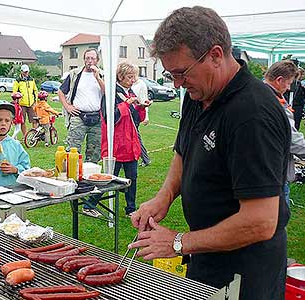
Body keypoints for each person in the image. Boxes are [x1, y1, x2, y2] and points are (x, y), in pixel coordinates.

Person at [128, 6, 290, 300]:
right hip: (206, 257)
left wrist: (178, 242)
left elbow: (261, 221)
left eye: (181, 72)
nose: (176, 83)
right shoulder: (198, 93)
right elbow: (182, 152)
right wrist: (163, 197)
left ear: (215, 55)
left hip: (246, 273)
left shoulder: (252, 115)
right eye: (170, 74)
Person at [84, 62, 147, 218]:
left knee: (132, 178)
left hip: (130, 143)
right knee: (107, 178)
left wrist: (141, 107)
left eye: (134, 77)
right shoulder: (110, 94)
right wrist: (126, 104)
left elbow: (136, 120)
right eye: (130, 77)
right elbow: (109, 117)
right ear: (120, 76)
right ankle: (89, 204)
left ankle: (131, 209)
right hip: (116, 144)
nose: (133, 80)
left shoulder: (129, 92)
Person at [264, 60, 305, 206]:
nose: (288, 88)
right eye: (288, 83)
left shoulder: (256, 95)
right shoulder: (275, 104)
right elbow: (292, 140)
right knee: (279, 222)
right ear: (279, 80)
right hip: (276, 173)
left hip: (263, 170)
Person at [58, 48, 105, 163]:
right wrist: (67, 107)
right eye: (87, 58)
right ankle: (71, 176)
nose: (90, 61)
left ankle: (90, 176)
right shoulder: (75, 74)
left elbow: (107, 93)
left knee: (94, 152)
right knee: (72, 149)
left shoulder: (103, 75)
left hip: (97, 118)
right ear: (84, 60)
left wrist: (98, 78)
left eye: (92, 58)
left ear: (97, 60)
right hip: (78, 116)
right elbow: (61, 92)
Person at [0, 100, 30, 188]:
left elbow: (26, 167)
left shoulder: (15, 145)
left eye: (7, 120)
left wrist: (15, 169)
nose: (3, 123)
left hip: (13, 191)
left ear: (11, 123)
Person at [12, 64, 38, 136]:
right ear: (21, 71)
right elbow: (14, 92)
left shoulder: (31, 79)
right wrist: (17, 101)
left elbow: (35, 90)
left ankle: (34, 136)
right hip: (22, 105)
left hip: (31, 104)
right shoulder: (18, 81)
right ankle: (25, 136)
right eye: (25, 72)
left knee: (34, 120)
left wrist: (35, 101)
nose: (26, 73)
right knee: (22, 121)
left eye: (27, 72)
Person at [132, 77, 152, 167]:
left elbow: (144, 100)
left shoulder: (141, 85)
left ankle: (146, 159)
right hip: (130, 114)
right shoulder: (130, 84)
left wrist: (146, 117)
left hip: (136, 114)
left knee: (136, 138)